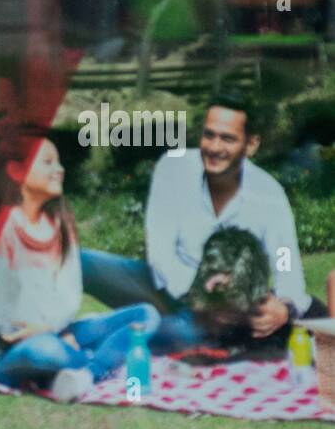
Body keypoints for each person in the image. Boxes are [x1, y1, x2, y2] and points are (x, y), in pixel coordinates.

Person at [81, 96, 325, 353]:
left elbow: (285, 260)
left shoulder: (269, 195)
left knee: (181, 333)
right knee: (77, 260)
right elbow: (161, 253)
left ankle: (98, 335)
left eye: (227, 138)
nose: (214, 147)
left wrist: (284, 308)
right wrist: (202, 291)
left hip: (221, 312)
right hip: (162, 284)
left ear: (251, 144)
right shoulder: (173, 168)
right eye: (209, 135)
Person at [0, 131, 160, 400]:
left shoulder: (61, 224)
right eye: (47, 162)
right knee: (45, 352)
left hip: (61, 332)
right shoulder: (0, 227)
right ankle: (98, 362)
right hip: (16, 346)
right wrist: (45, 332)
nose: (60, 169)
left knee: (146, 315)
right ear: (16, 170)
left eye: (58, 162)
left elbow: (70, 294)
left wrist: (60, 329)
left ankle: (85, 373)